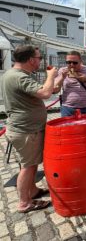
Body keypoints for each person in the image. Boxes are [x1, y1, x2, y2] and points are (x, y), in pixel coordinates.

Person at [2, 45, 58, 213]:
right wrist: (51, 76)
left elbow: (48, 89)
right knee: (28, 166)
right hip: (26, 131)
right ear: (30, 59)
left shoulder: (14, 74)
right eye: (39, 58)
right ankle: (24, 202)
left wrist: (57, 78)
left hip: (22, 129)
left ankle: (32, 190)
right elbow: (46, 93)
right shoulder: (20, 77)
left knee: (29, 164)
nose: (39, 61)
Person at [54, 51, 86, 117]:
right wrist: (62, 78)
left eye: (75, 63)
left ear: (80, 61)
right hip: (67, 109)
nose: (71, 65)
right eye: (68, 62)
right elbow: (55, 90)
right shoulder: (62, 71)